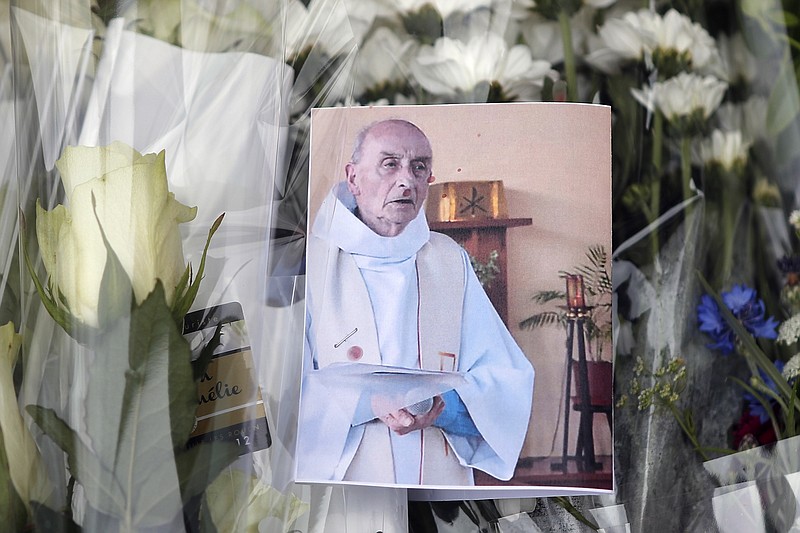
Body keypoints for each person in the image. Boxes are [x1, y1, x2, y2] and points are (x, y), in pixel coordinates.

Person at [297, 118, 534, 486]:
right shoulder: (312, 263)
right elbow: (281, 388)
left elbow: (505, 376)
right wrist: (369, 404)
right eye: (389, 164)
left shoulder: (447, 259)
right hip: (345, 477)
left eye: (419, 167)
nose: (406, 179)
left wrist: (441, 406)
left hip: (438, 474)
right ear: (353, 177)